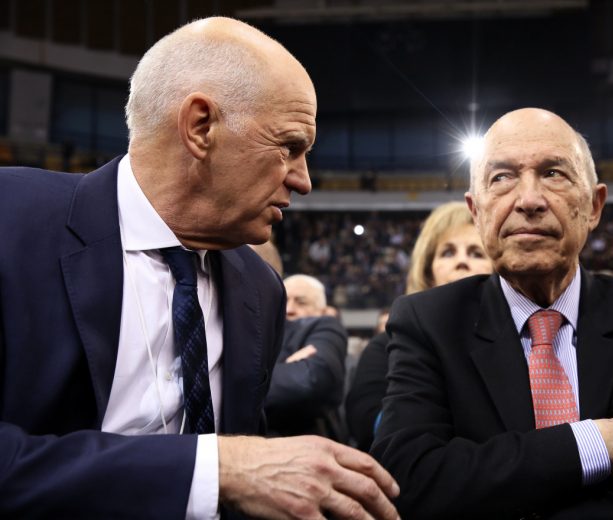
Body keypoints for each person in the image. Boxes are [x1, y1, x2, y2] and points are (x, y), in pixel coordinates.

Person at [0, 17, 398, 519]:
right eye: (289, 147)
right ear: (201, 127)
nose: (303, 181)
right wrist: (212, 468)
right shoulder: (11, 219)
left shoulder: (261, 289)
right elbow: (233, 471)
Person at [371, 108, 613, 518]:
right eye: (501, 177)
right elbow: (408, 481)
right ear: (476, 212)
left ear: (594, 206)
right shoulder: (428, 322)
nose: (529, 200)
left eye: (553, 173)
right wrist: (592, 443)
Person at [346, 201, 493, 450]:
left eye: (476, 253)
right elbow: (365, 420)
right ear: (427, 271)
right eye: (448, 252)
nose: (462, 261)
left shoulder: (519, 339)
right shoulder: (387, 345)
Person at [266, 275, 348, 440]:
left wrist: (249, 385)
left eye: (301, 302)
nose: (289, 309)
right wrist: (287, 367)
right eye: (283, 301)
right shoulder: (262, 332)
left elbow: (308, 381)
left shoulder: (326, 326)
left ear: (323, 311)